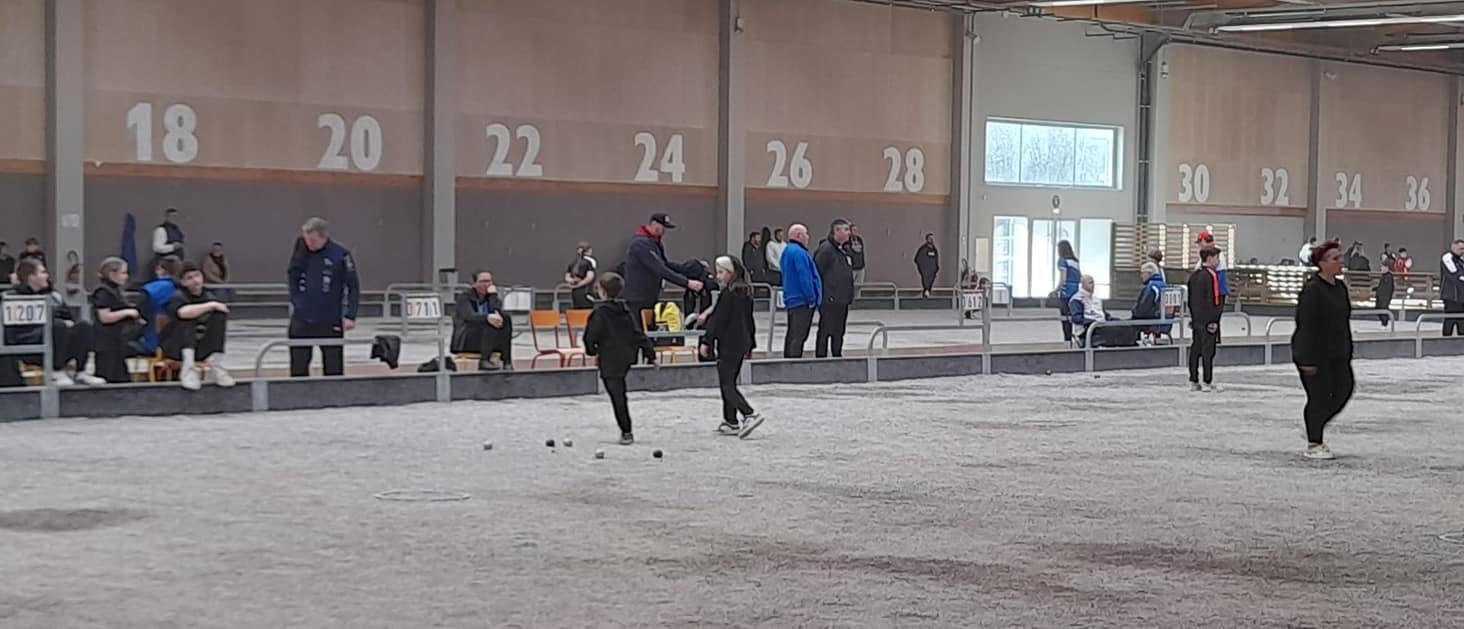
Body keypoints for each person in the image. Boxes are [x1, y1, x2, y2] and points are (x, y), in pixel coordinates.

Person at [1291, 241, 1353, 460]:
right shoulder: (1312, 290)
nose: (1340, 262)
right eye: (1335, 259)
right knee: (1318, 397)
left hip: (1339, 353)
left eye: (1340, 257)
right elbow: (1305, 326)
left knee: (1344, 389)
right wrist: (1305, 359)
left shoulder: (1340, 287)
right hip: (1315, 355)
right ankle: (1314, 442)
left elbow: (1344, 321)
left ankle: (1314, 425)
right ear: (1322, 263)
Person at [2, 258, 104, 386]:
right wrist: (54, 321)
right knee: (57, 325)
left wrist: (66, 322)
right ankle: (56, 371)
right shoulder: (13, 298)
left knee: (84, 326)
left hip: (59, 340)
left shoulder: (54, 296)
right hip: (29, 343)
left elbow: (69, 317)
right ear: (31, 276)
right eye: (43, 272)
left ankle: (81, 371)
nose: (47, 276)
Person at [582, 272, 655, 446]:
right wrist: (650, 354)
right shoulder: (625, 311)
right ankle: (626, 430)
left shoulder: (600, 313)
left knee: (617, 395)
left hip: (609, 357)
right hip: (626, 356)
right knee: (619, 392)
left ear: (602, 291)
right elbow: (637, 333)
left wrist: (592, 351)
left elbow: (590, 336)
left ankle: (626, 431)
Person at [697, 256, 764, 438]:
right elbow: (749, 321)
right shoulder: (745, 292)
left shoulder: (728, 294)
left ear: (731, 273)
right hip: (741, 343)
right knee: (729, 381)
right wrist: (751, 343)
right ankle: (730, 420)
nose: (718, 276)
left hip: (729, 343)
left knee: (727, 384)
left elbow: (718, 320)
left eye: (721, 272)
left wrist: (706, 341)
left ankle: (749, 413)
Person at [287, 218, 359, 377]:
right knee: (298, 364)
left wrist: (350, 315)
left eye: (313, 241)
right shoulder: (301, 251)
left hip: (329, 318)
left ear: (323, 237)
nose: (309, 244)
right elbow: (293, 275)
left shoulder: (340, 254)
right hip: (302, 316)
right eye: (307, 240)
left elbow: (352, 286)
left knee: (333, 365)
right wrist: (296, 299)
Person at [162, 261, 235, 390]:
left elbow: (223, 309)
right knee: (188, 319)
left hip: (201, 345)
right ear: (183, 282)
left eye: (197, 276)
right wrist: (210, 305)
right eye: (189, 278)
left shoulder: (209, 296)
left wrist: (213, 306)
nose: (195, 280)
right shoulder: (178, 296)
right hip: (177, 347)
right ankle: (188, 370)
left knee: (219, 316)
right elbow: (182, 313)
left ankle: (216, 364)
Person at [621, 213, 702, 329]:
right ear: (654, 224)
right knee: (639, 329)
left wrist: (687, 270)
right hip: (638, 298)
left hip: (650, 296)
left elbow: (665, 264)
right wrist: (687, 283)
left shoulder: (655, 242)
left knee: (650, 328)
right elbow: (659, 268)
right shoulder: (640, 244)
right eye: (663, 227)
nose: (664, 231)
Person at [90, 257, 143, 383]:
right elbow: (105, 317)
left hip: (117, 341)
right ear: (112, 274)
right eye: (123, 273)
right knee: (109, 375)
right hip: (105, 342)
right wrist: (127, 312)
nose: (126, 276)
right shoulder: (102, 291)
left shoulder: (115, 290)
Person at [452, 271, 514, 371]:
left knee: (505, 318)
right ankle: (484, 360)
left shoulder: (491, 297)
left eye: (489, 281)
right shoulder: (464, 297)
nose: (487, 284)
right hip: (467, 339)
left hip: (488, 338)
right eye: (483, 281)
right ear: (474, 284)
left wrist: (493, 296)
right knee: (489, 322)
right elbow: (469, 317)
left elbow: (496, 312)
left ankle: (507, 361)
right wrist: (487, 318)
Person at [813, 219, 854, 358]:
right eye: (846, 230)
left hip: (842, 298)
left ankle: (837, 354)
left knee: (839, 330)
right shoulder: (826, 250)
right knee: (825, 329)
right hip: (829, 299)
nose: (849, 233)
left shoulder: (844, 250)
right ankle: (821, 357)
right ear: (836, 231)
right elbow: (817, 272)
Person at [779, 224, 821, 358]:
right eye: (806, 234)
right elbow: (805, 277)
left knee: (792, 333)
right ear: (799, 236)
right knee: (799, 335)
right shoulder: (799, 253)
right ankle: (794, 362)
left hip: (792, 299)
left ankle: (788, 359)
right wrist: (811, 297)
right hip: (801, 300)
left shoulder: (787, 251)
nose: (808, 237)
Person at [1187, 246, 1224, 392]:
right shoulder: (1211, 276)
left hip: (1197, 318)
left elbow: (1191, 299)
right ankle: (1207, 380)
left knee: (1195, 349)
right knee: (1208, 350)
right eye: (1216, 258)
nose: (1218, 261)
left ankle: (1194, 380)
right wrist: (1214, 319)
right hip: (1208, 320)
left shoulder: (1194, 276)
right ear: (1209, 258)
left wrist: (1194, 317)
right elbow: (1213, 299)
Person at [138, 256, 180, 355]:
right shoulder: (183, 288)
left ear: (162, 270)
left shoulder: (151, 288)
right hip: (177, 340)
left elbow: (139, 311)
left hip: (152, 340)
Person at [1130, 262, 1167, 345]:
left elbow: (1142, 309)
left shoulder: (1152, 287)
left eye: (1142, 273)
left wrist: (1134, 311)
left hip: (1150, 322)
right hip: (1163, 321)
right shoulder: (1164, 285)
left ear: (1149, 273)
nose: (1141, 276)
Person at [1055, 240, 1082, 343]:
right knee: (1074, 314)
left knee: (1065, 316)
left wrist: (1056, 290)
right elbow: (1079, 276)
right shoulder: (1075, 261)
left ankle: (1067, 339)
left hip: (1066, 291)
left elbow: (1063, 278)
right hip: (1076, 290)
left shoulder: (1062, 261)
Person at [148, 208, 185, 280]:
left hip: (175, 264)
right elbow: (156, 248)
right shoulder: (161, 230)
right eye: (172, 217)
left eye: (176, 217)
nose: (175, 219)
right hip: (164, 264)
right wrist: (173, 247)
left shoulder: (177, 229)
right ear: (166, 217)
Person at [1441, 240, 1464, 337]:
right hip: (1451, 296)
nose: (1463, 251)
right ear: (1453, 247)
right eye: (1461, 248)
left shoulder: (1460, 261)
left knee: (1462, 322)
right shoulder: (1447, 258)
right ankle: (1446, 341)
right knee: (1450, 320)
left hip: (1461, 297)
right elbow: (1454, 274)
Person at [564, 241, 596, 309]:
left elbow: (567, 277)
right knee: (587, 311)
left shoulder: (573, 262)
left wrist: (573, 283)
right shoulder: (590, 261)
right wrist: (578, 285)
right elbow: (589, 277)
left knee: (577, 311)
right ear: (588, 250)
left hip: (575, 293)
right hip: (587, 291)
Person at [914, 233, 939, 298]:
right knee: (926, 284)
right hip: (925, 272)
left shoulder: (934, 250)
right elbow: (917, 259)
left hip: (932, 272)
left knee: (930, 283)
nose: (931, 240)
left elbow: (936, 259)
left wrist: (936, 268)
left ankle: (928, 292)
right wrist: (922, 269)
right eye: (930, 238)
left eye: (932, 238)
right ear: (927, 239)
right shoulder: (923, 249)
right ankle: (926, 293)